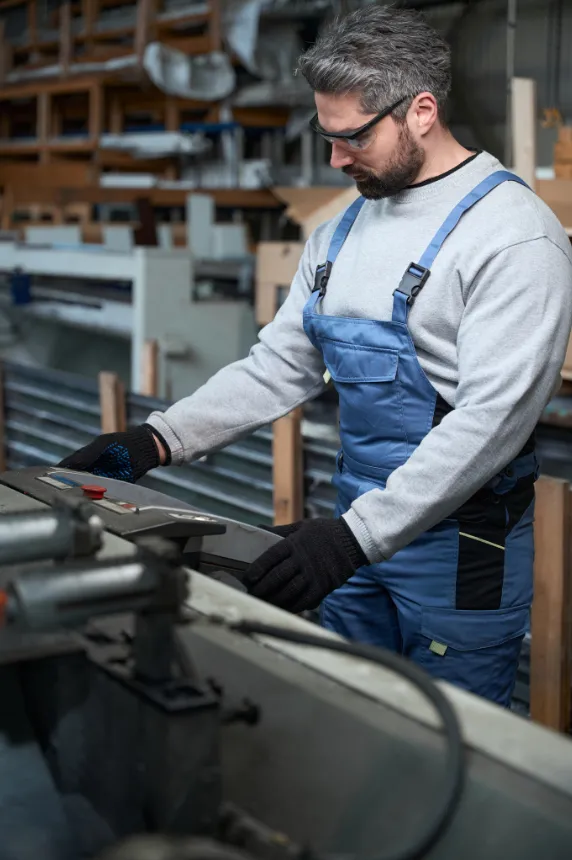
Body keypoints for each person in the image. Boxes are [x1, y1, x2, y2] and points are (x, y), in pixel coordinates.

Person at [60, 6, 572, 707]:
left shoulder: (512, 237)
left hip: (458, 552)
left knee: (455, 735)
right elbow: (278, 365)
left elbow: (493, 420)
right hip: (353, 530)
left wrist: (351, 540)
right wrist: (156, 440)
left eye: (354, 136)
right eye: (326, 136)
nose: (336, 159)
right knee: (348, 713)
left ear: (422, 111)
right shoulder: (340, 232)